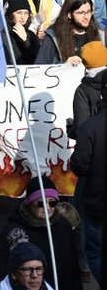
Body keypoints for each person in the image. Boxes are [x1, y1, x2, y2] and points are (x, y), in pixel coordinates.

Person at [0, 175, 83, 290]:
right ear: (30, 203)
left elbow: (74, 265)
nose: (47, 208)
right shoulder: (14, 232)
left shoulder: (63, 225)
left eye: (52, 203)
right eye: (41, 203)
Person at [71, 87, 105, 283]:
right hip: (96, 202)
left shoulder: (91, 126)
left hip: (96, 203)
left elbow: (79, 166)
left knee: (94, 251)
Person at [37, 0, 102, 65]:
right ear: (69, 14)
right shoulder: (54, 37)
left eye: (88, 11)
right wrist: (63, 66)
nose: (86, 17)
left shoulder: (98, 33)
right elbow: (39, 69)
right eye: (81, 13)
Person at [6, 0, 41, 64]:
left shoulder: (31, 35)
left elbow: (38, 60)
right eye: (19, 13)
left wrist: (25, 41)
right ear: (11, 14)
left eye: (26, 13)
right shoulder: (4, 34)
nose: (23, 17)